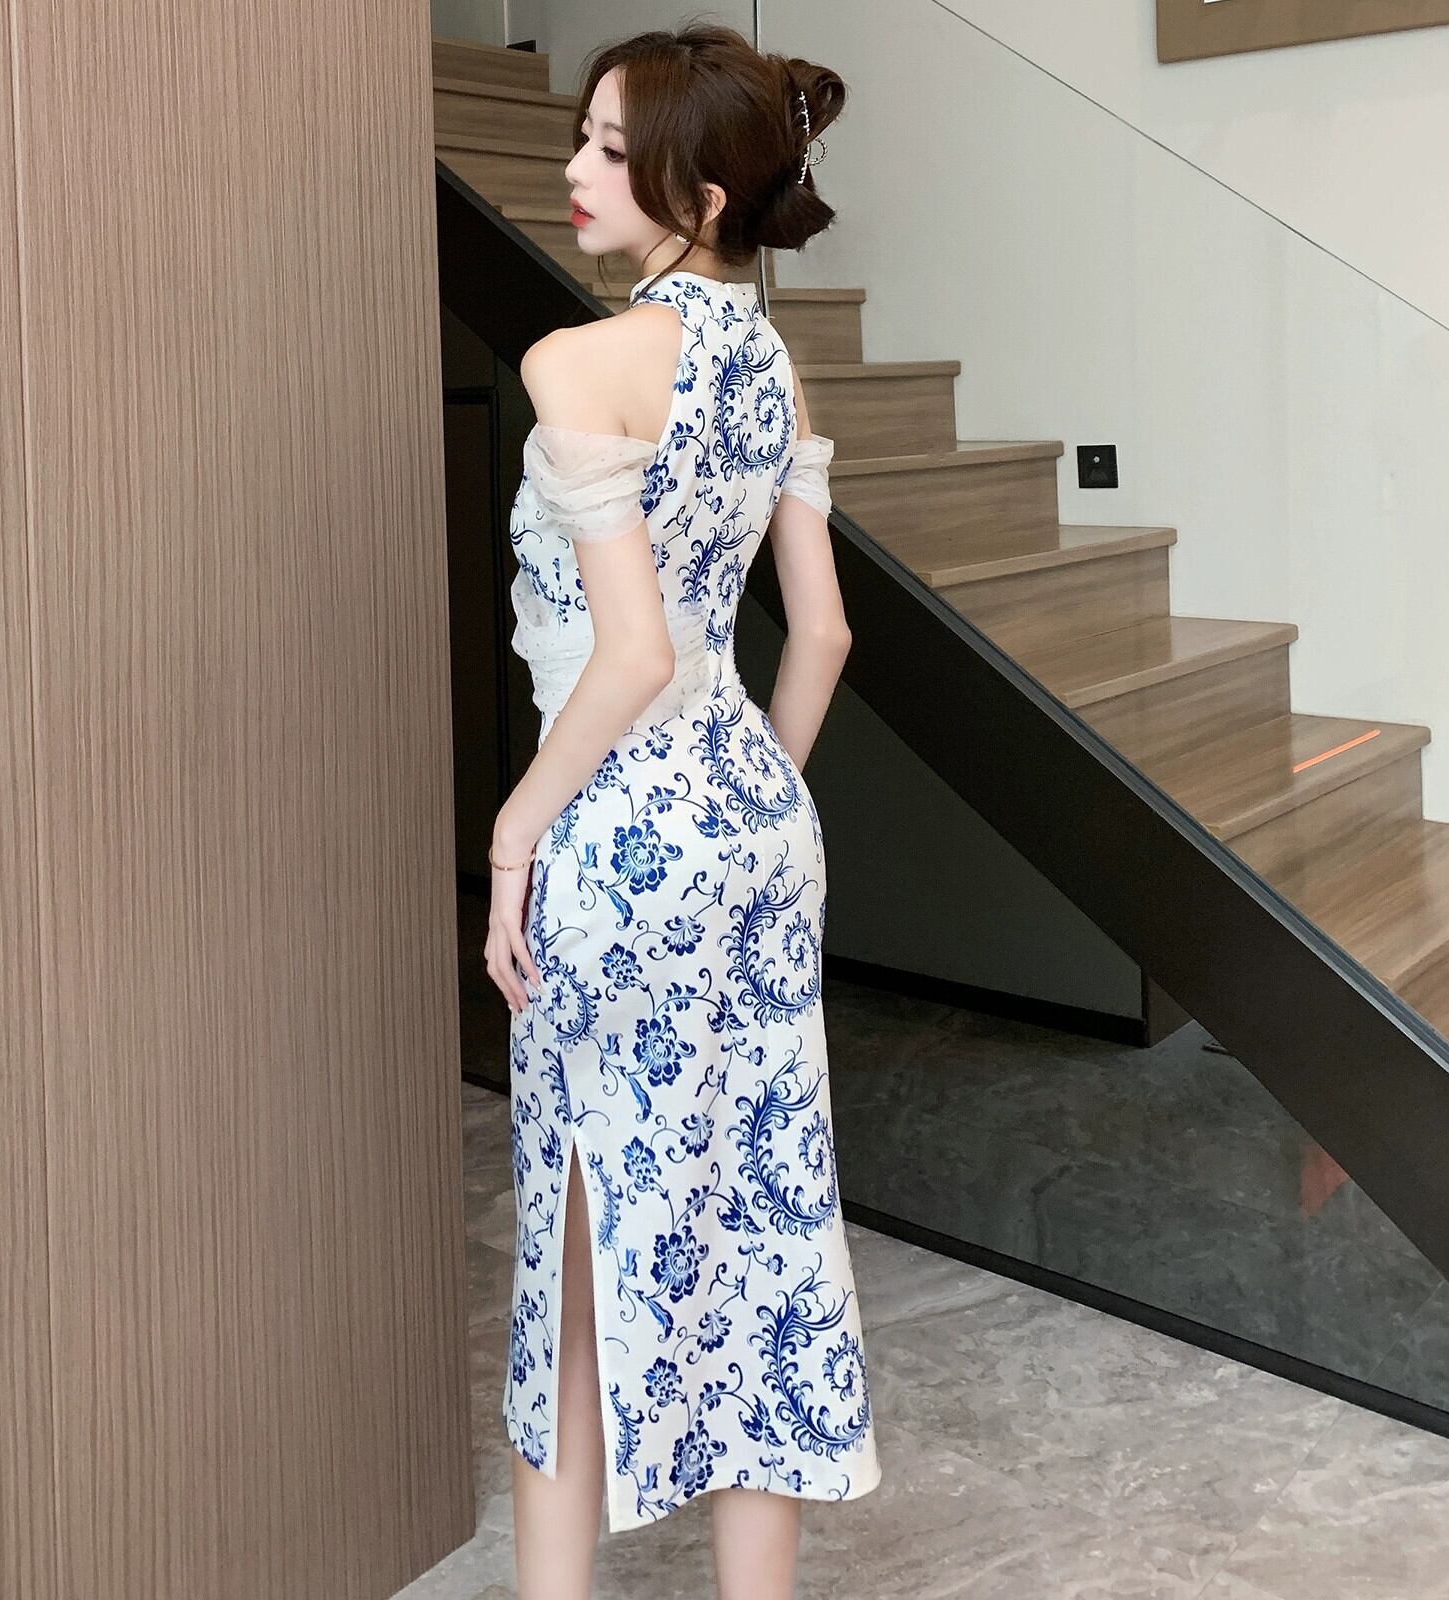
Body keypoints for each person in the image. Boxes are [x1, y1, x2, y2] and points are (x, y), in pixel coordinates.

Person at [481, 23, 880, 1599]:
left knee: (575, 1256)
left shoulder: (575, 364)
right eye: (581, 138)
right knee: (761, 1231)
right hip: (759, 827)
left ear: (699, 197)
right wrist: (747, 802)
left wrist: (514, 832)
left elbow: (632, 653)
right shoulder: (769, 363)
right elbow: (822, 636)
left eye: (607, 147)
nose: (574, 170)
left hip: (617, 835)